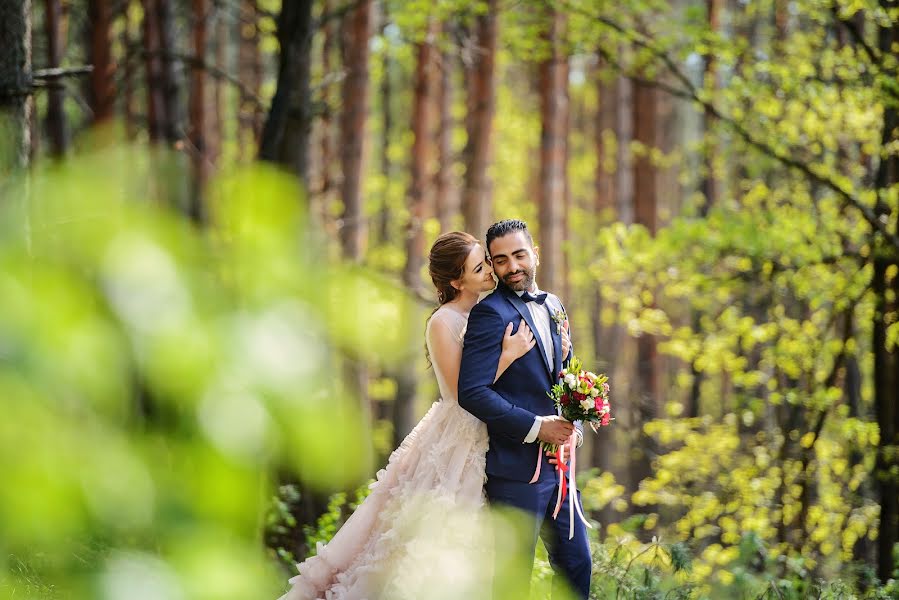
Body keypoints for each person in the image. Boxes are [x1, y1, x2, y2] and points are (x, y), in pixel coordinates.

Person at [278, 231, 566, 600]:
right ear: (456, 281)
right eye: (479, 268)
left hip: (493, 434)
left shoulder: (490, 309)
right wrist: (506, 356)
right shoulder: (443, 322)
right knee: (428, 538)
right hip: (458, 438)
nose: (491, 273)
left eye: (486, 262)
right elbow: (461, 393)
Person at [458, 219, 591, 599]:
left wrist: (573, 427)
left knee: (577, 565)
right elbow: (472, 392)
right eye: (500, 261)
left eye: (519, 255)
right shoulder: (490, 314)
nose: (512, 267)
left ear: (536, 253)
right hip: (515, 470)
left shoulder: (554, 305)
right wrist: (536, 427)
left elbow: (567, 372)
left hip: (560, 469)